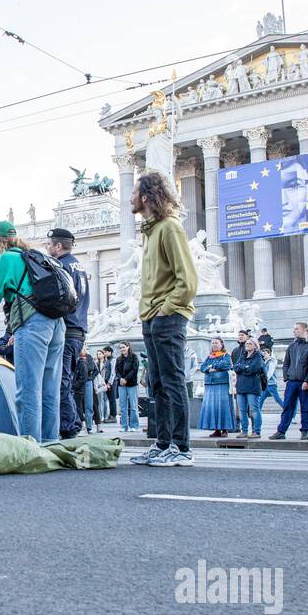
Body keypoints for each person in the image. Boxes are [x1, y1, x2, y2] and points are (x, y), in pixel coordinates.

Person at [129, 171, 198, 467]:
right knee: (157, 383)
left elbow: (188, 280)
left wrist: (166, 308)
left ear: (145, 196)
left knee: (172, 382)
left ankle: (181, 448)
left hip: (166, 317)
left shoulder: (169, 228)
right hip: (151, 317)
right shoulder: (151, 231)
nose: (130, 198)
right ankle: (162, 444)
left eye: (134, 192)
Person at [0, 219, 63, 443]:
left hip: (32, 322)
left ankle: (29, 447)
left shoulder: (4, 259)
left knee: (27, 389)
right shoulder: (34, 255)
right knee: (49, 389)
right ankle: (50, 443)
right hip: (56, 322)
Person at [44, 228, 91, 440]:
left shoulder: (60, 265)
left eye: (49, 244)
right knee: (66, 380)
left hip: (67, 328)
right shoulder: (78, 266)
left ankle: (70, 426)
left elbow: (59, 298)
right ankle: (71, 422)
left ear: (58, 246)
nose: (47, 248)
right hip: (79, 329)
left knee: (59, 381)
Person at [269, 322, 308, 439]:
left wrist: (307, 381)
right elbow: (286, 363)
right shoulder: (292, 346)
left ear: (304, 330)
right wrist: (286, 377)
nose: (294, 331)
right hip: (292, 382)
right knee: (288, 406)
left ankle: (305, 430)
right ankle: (281, 431)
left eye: (296, 329)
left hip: (304, 382)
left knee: (306, 407)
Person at [198, 337, 235, 437]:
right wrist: (211, 368)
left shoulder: (226, 355)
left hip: (222, 384)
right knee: (213, 408)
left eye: (216, 343)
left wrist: (211, 367)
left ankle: (225, 429)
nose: (214, 345)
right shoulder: (209, 356)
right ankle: (217, 429)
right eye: (212, 343)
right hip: (210, 385)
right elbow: (202, 367)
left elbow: (226, 365)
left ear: (221, 344)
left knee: (223, 407)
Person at [234, 337, 265, 437]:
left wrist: (242, 367)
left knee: (254, 410)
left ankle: (256, 431)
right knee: (242, 411)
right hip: (241, 386)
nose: (247, 345)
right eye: (247, 343)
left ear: (256, 346)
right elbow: (235, 367)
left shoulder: (258, 356)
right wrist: (245, 367)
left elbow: (254, 368)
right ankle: (244, 431)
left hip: (253, 387)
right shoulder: (243, 356)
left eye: (250, 344)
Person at [114, 341, 140, 432]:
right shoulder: (118, 359)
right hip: (121, 385)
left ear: (128, 347)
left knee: (133, 406)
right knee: (123, 406)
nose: (122, 349)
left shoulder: (134, 357)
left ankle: (134, 425)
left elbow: (134, 370)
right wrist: (121, 379)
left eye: (123, 347)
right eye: (120, 347)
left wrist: (126, 379)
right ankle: (124, 426)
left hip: (131, 384)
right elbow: (116, 371)